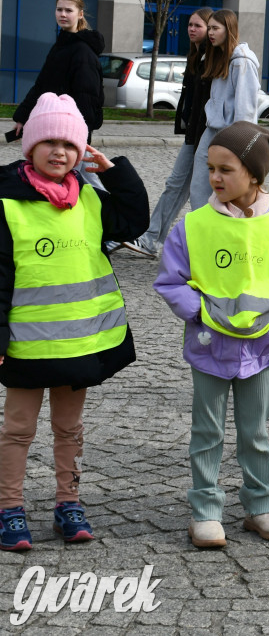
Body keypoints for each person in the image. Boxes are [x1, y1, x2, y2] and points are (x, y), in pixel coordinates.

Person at [154, 121, 269, 548]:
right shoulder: (194, 226)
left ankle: (261, 506)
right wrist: (200, 313)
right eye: (211, 168)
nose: (215, 177)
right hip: (209, 346)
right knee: (207, 433)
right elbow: (171, 279)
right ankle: (205, 511)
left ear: (255, 174)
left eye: (225, 169)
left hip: (260, 348)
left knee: (255, 432)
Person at [0, 93, 148, 550]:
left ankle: (69, 503)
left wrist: (114, 172)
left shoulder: (89, 197)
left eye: (70, 144)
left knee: (69, 428)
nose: (60, 152)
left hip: (79, 343)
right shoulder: (6, 202)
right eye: (50, 142)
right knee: (18, 430)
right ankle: (9, 508)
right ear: (31, 146)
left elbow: (134, 220)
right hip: (25, 346)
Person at [121, 8, 215, 258]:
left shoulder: (211, 58)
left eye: (198, 25)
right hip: (194, 134)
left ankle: (205, 247)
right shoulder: (196, 55)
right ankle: (152, 238)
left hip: (206, 135)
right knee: (176, 185)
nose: (191, 29)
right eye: (190, 24)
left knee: (200, 193)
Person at [12, 0, 104, 190]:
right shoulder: (62, 44)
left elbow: (87, 97)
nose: (63, 14)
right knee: (80, 179)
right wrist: (22, 116)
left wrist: (79, 135)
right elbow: (43, 85)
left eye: (68, 10)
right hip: (58, 129)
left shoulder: (82, 51)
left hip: (70, 133)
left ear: (80, 14)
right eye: (59, 9)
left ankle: (112, 208)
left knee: (81, 181)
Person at [190, 9, 261, 211]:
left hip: (232, 136)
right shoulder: (219, 58)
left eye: (215, 28)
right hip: (212, 131)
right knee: (199, 186)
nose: (211, 33)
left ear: (228, 30)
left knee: (228, 188)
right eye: (209, 28)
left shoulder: (242, 61)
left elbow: (246, 108)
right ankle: (202, 222)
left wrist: (239, 143)